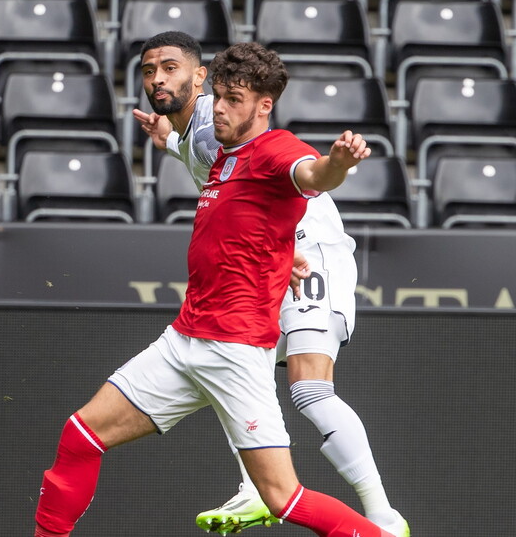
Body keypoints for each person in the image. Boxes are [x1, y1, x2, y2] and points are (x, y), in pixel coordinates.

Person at [33, 40, 394, 537]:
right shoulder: (221, 153)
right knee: (80, 435)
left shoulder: (273, 148)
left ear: (262, 105)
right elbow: (243, 210)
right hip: (183, 340)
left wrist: (338, 163)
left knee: (289, 488)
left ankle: (379, 524)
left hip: (235, 347)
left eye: (233, 99)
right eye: (219, 97)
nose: (220, 108)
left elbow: (312, 174)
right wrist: (274, 250)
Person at [133, 32, 410, 537]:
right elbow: (215, 177)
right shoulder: (199, 129)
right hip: (273, 258)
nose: (158, 79)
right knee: (232, 364)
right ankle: (253, 489)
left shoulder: (213, 126)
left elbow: (305, 174)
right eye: (149, 71)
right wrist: (167, 140)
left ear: (198, 77)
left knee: (308, 389)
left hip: (311, 249)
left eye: (170, 69)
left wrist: (303, 221)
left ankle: (382, 517)